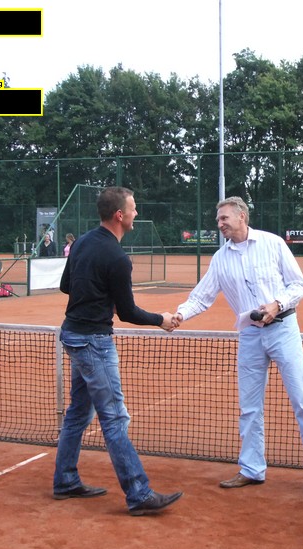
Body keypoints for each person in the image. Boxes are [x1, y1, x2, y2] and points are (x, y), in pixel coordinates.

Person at [172, 196, 303, 498]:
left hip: (283, 328)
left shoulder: (273, 244)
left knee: (302, 401)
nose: (219, 224)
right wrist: (180, 314)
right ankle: (251, 469)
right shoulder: (220, 258)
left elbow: (299, 285)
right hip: (249, 335)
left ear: (241, 217)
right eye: (218, 220)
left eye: (224, 218)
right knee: (249, 407)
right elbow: (201, 297)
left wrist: (277, 304)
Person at [53, 186, 183, 516]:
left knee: (78, 412)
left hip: (73, 336)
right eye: (134, 208)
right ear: (119, 215)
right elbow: (127, 312)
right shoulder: (117, 258)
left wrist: (96, 296)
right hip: (94, 343)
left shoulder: (81, 243)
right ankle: (139, 493)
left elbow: (66, 286)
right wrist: (161, 320)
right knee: (114, 418)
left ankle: (65, 480)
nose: (137, 213)